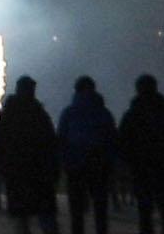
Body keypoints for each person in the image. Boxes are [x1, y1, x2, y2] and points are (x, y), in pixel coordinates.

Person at [116, 79, 164, 234]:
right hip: (163, 168)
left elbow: (121, 144)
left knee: (145, 214)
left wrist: (130, 161)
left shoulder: (131, 115)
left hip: (140, 169)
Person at [0, 77, 56, 234]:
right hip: (39, 171)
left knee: (22, 217)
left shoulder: (8, 115)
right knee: (45, 214)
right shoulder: (39, 113)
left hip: (16, 172)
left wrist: (3, 167)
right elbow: (50, 142)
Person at [55, 79, 115, 234]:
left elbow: (60, 139)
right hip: (99, 165)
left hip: (75, 167)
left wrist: (64, 162)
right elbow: (112, 139)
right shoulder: (103, 112)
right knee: (100, 210)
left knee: (77, 212)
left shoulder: (69, 113)